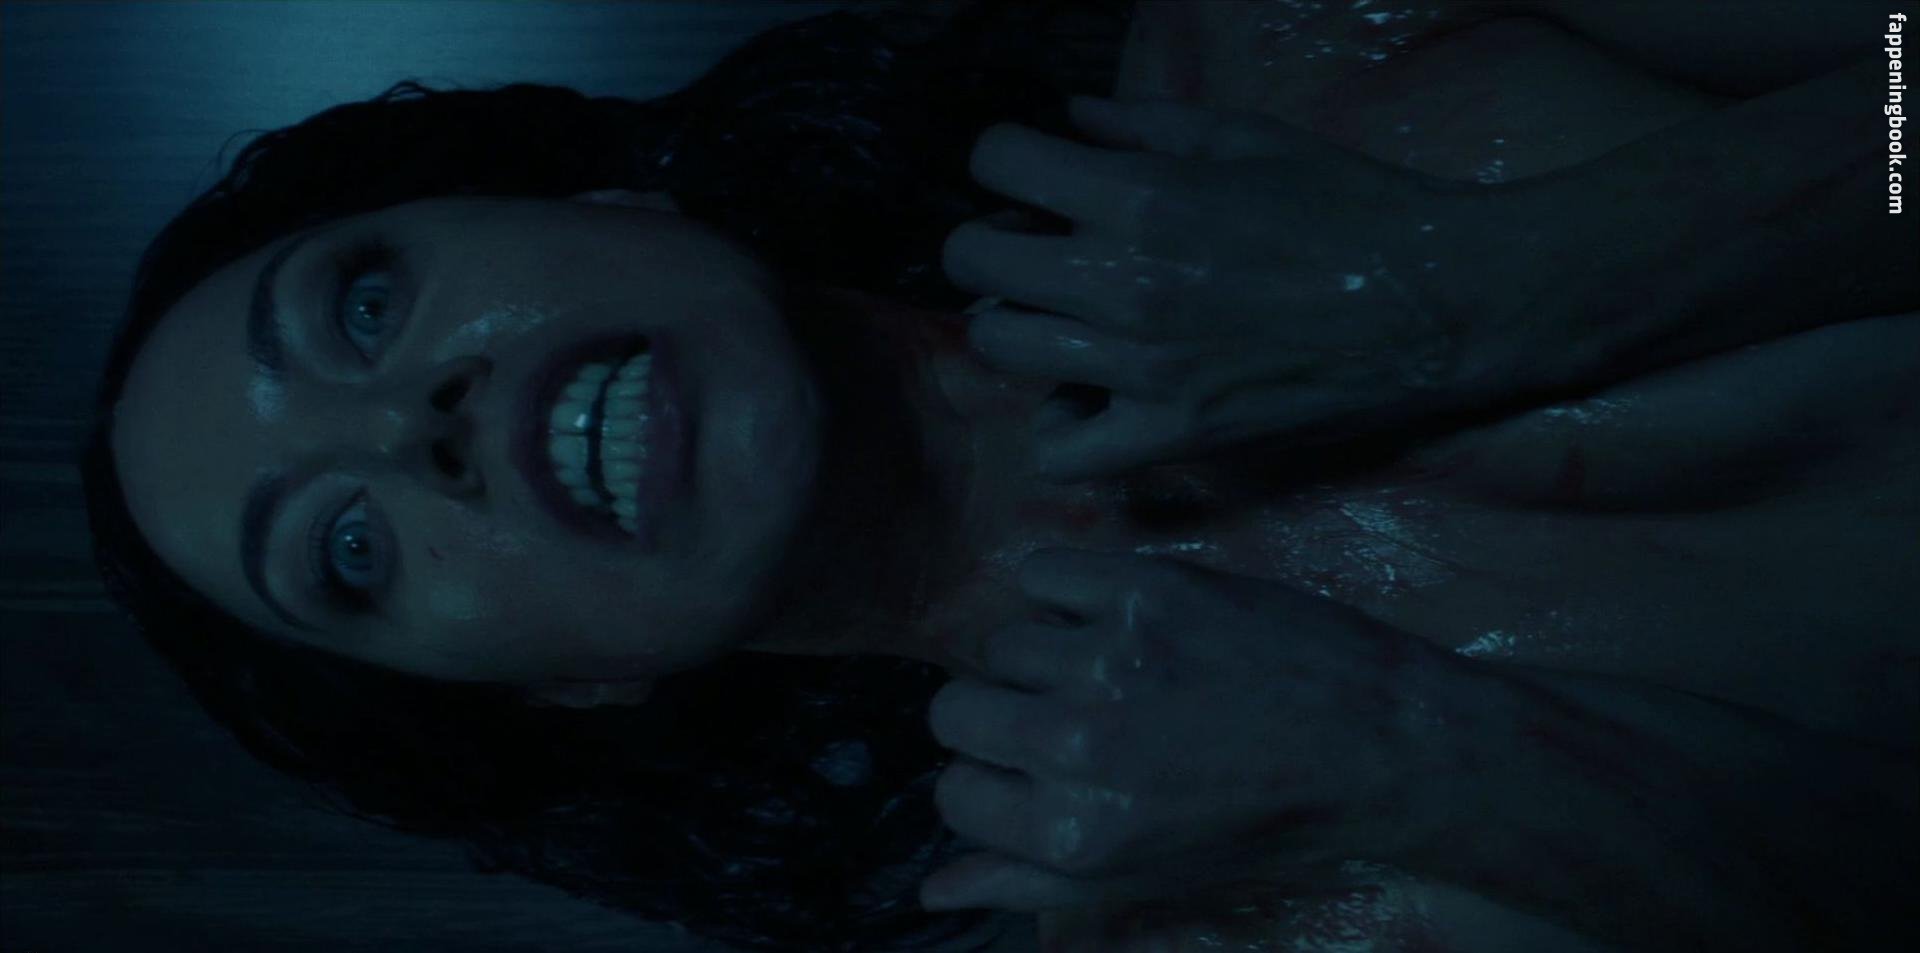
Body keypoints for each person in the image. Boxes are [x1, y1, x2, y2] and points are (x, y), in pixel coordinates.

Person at [79, 2, 1916, 952]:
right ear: (569, 692)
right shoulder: (1223, 913)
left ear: (599, 195)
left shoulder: (1318, 33)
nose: (413, 426)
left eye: (364, 306)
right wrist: (1427, 760)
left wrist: (1508, 279)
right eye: (346, 545)